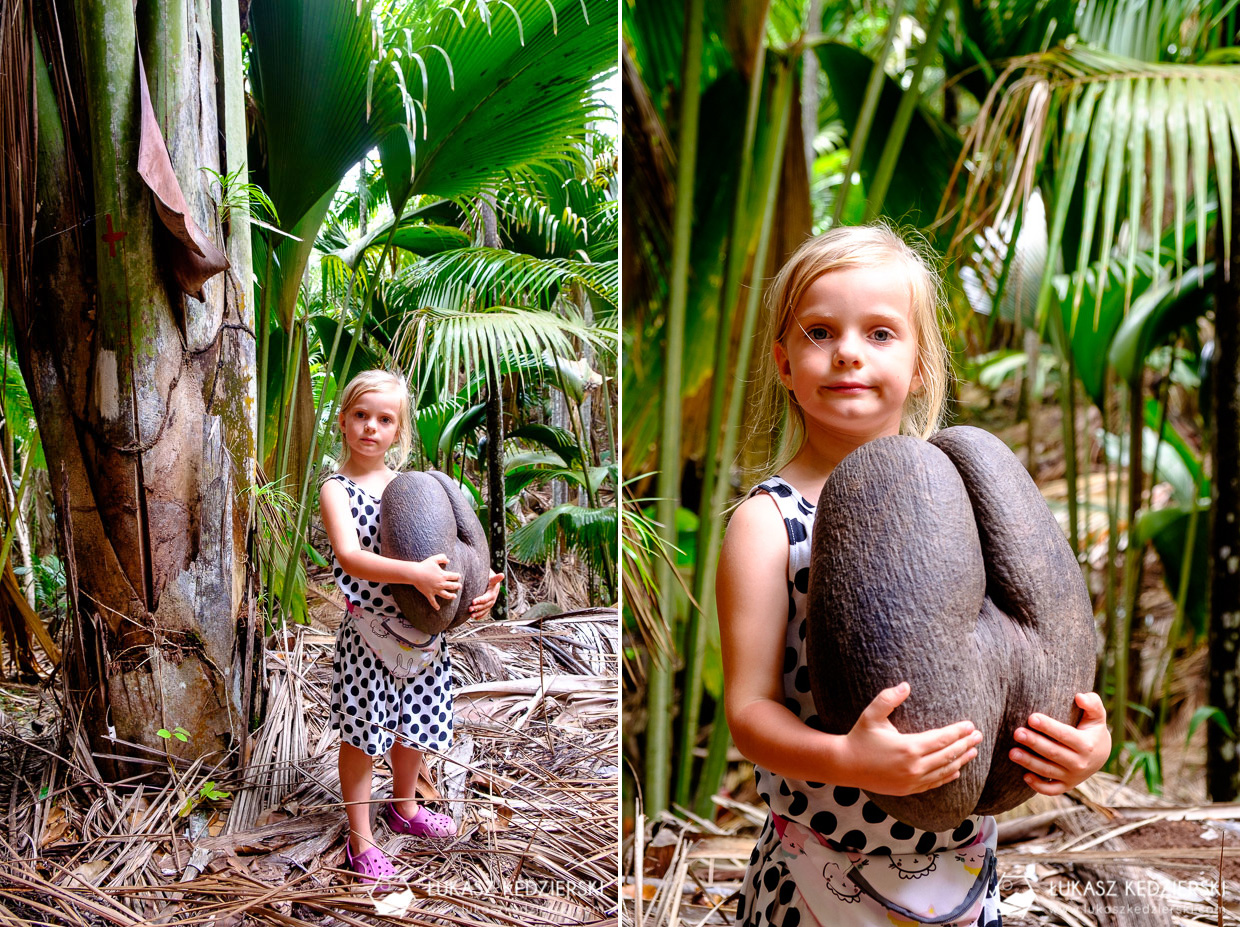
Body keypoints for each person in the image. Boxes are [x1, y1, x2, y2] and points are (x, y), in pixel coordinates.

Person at [716, 224, 1111, 926]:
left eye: (880, 334)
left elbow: (1029, 647)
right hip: (822, 872)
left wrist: (1085, 745)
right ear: (782, 363)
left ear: (923, 364)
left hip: (960, 873)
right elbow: (748, 715)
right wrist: (850, 759)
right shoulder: (766, 522)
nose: (847, 353)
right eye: (819, 332)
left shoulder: (972, 497)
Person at [320, 369, 503, 886]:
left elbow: (460, 551)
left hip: (424, 639)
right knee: (362, 737)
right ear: (344, 420)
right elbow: (350, 557)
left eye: (384, 419)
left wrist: (482, 586)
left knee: (413, 727)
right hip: (370, 637)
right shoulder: (338, 489)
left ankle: (405, 806)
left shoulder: (419, 488)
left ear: (398, 431)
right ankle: (362, 838)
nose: (370, 428)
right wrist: (414, 574)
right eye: (361, 416)